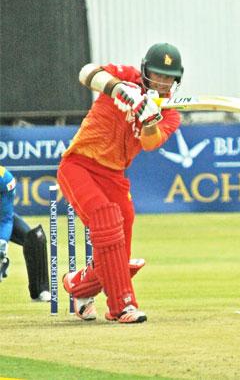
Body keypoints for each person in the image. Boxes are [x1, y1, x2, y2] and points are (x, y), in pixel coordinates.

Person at [58, 43, 183, 323]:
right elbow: (86, 72)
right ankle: (122, 306)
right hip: (79, 165)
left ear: (177, 79)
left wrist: (149, 119)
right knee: (106, 217)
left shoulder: (171, 113)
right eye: (156, 74)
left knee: (118, 241)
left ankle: (79, 286)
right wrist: (118, 89)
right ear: (144, 70)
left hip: (115, 176)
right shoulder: (126, 77)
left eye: (168, 77)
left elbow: (150, 143)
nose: (162, 81)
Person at [0, 166, 51, 301]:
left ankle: (41, 291)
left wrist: (2, 243)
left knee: (35, 238)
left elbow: (6, 217)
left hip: (2, 216)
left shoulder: (5, 177)